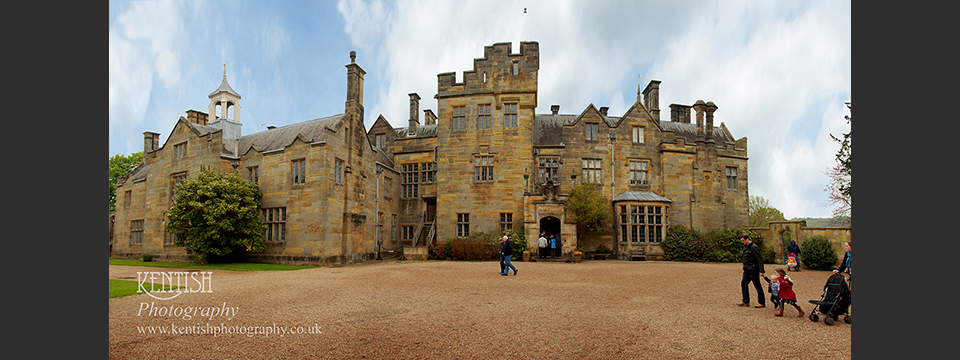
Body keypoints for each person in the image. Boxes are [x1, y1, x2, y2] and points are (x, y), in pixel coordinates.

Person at [737, 233, 766, 308]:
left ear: (747, 239)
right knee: (744, 284)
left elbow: (759, 259)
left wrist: (761, 271)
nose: (742, 242)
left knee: (757, 286)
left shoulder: (754, 247)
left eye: (743, 240)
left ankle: (761, 302)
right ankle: (745, 301)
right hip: (747, 270)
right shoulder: (745, 247)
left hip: (753, 270)